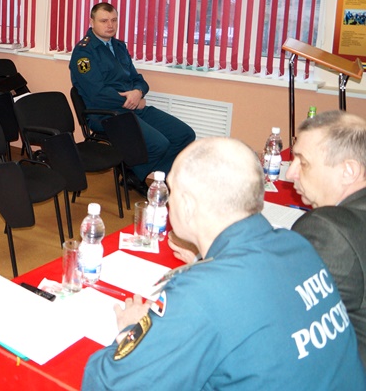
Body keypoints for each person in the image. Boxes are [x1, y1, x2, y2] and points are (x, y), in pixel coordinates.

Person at [82, 137, 365, 390]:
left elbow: (105, 384)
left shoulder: (201, 293)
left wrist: (131, 331)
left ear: (188, 205)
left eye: (172, 193)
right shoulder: (296, 245)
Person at [70, 2, 195, 189]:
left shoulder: (118, 46)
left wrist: (138, 92)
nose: (110, 25)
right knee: (159, 144)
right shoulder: (84, 53)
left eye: (114, 20)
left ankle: (136, 175)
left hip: (131, 107)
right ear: (91, 22)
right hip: (105, 113)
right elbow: (96, 94)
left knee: (184, 135)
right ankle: (138, 175)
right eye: (104, 21)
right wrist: (132, 101)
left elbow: (137, 79)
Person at [287, 110, 366, 366]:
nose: (290, 173)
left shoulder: (327, 228)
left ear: (348, 171)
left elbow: (278, 311)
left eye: (303, 162)